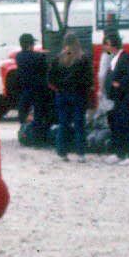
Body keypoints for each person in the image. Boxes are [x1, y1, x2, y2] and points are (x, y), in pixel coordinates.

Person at [48, 33, 93, 162]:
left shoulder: (58, 58)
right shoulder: (82, 58)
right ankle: (81, 154)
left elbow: (50, 78)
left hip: (62, 95)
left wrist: (59, 87)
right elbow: (89, 79)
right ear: (77, 42)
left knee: (63, 124)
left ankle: (62, 152)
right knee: (79, 124)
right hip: (78, 95)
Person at [102, 30, 129, 163]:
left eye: (106, 44)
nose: (105, 47)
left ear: (112, 44)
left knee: (126, 124)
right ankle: (119, 153)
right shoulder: (114, 58)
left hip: (124, 96)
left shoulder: (125, 57)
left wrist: (119, 83)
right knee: (116, 125)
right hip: (115, 97)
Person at [13, 34, 48, 128]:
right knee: (38, 111)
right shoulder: (39, 56)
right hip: (37, 89)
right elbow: (44, 67)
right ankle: (37, 129)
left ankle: (24, 127)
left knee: (23, 109)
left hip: (24, 87)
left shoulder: (18, 56)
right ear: (30, 44)